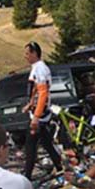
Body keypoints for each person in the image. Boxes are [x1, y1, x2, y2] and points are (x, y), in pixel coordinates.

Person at [21, 42, 63, 180]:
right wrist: (30, 104)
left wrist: (36, 116)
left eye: (27, 53)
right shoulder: (36, 68)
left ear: (34, 53)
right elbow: (35, 92)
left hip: (39, 115)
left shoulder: (40, 69)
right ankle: (60, 167)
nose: (25, 56)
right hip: (38, 112)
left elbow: (43, 93)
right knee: (46, 143)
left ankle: (27, 176)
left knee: (30, 147)